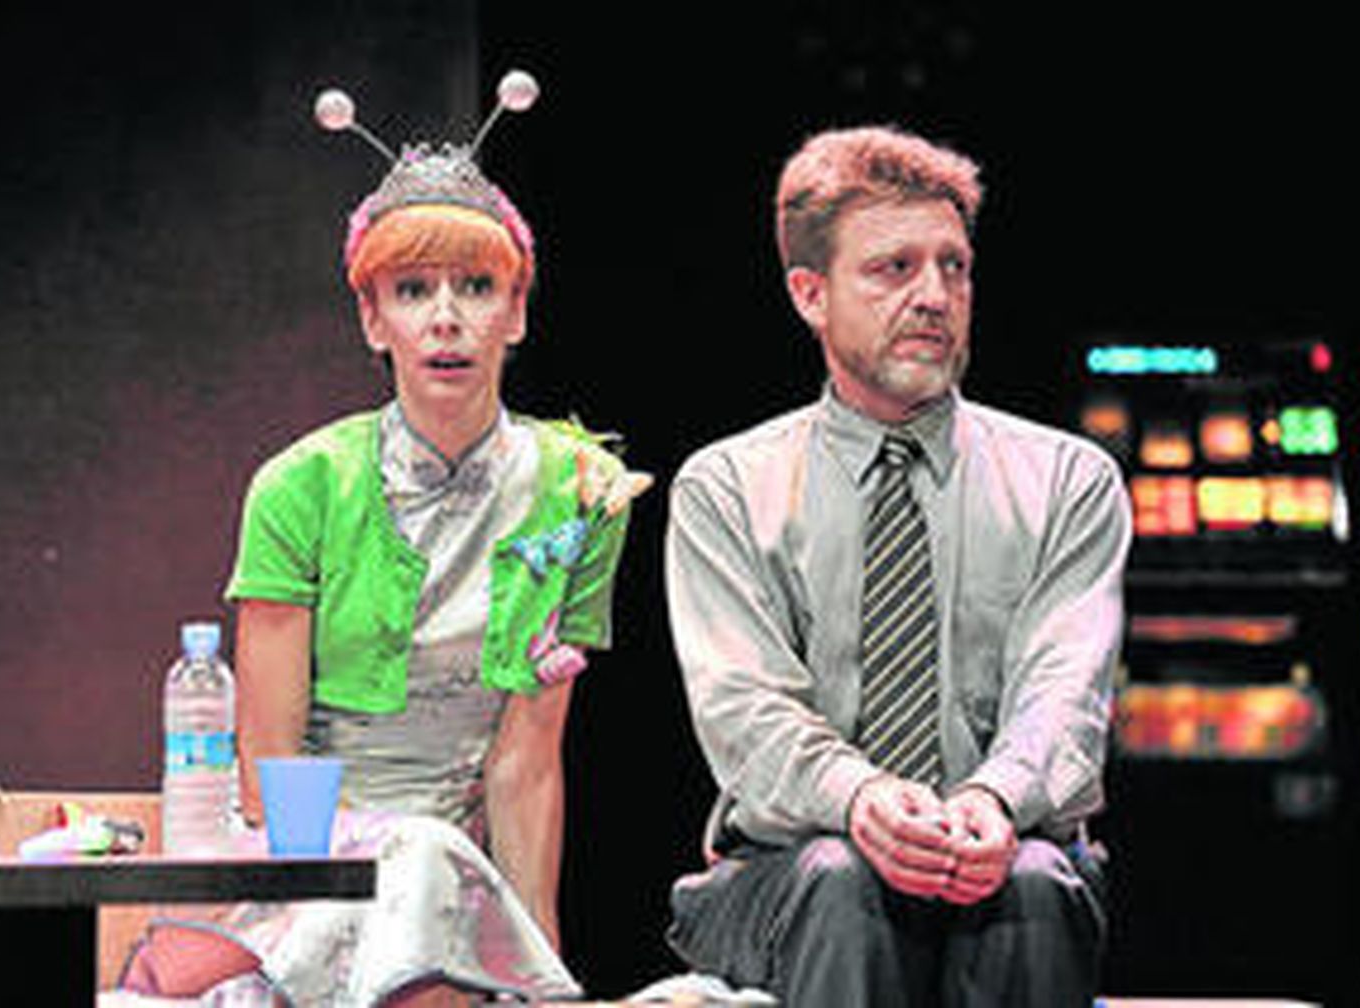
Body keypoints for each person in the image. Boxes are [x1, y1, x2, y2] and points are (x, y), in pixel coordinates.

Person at [120, 74, 646, 1007]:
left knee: (440, 871)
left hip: (459, 883)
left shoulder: (580, 491)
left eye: (477, 287)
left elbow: (526, 767)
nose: (446, 317)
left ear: (518, 311)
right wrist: (367, 881)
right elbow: (271, 777)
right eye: (412, 290)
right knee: (413, 859)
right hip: (313, 866)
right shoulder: (300, 486)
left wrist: (547, 977)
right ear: (374, 319)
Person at [663, 125, 1131, 1006]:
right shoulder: (727, 488)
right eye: (894, 269)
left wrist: (993, 801)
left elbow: (1064, 698)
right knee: (842, 879)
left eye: (954, 268)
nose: (934, 297)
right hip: (791, 875)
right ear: (810, 293)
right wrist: (862, 798)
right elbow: (746, 713)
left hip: (1008, 851)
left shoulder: (1069, 481)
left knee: (1032, 883)